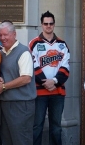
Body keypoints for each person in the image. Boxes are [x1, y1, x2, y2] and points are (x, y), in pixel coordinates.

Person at [29, 11, 70, 145]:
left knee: (56, 127)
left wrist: (55, 81)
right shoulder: (34, 43)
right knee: (37, 126)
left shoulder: (62, 44)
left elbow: (65, 67)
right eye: (46, 23)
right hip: (39, 93)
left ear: (54, 25)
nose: (48, 26)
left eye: (51, 23)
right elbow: (32, 66)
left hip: (57, 92)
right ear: (41, 25)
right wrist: (45, 82)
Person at [0, 21, 36, 145]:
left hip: (21, 105)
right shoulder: (1, 53)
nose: (2, 38)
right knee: (7, 141)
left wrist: (3, 86)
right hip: (5, 104)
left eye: (5, 35)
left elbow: (26, 78)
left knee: (21, 140)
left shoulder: (23, 52)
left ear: (14, 34)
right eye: (0, 35)